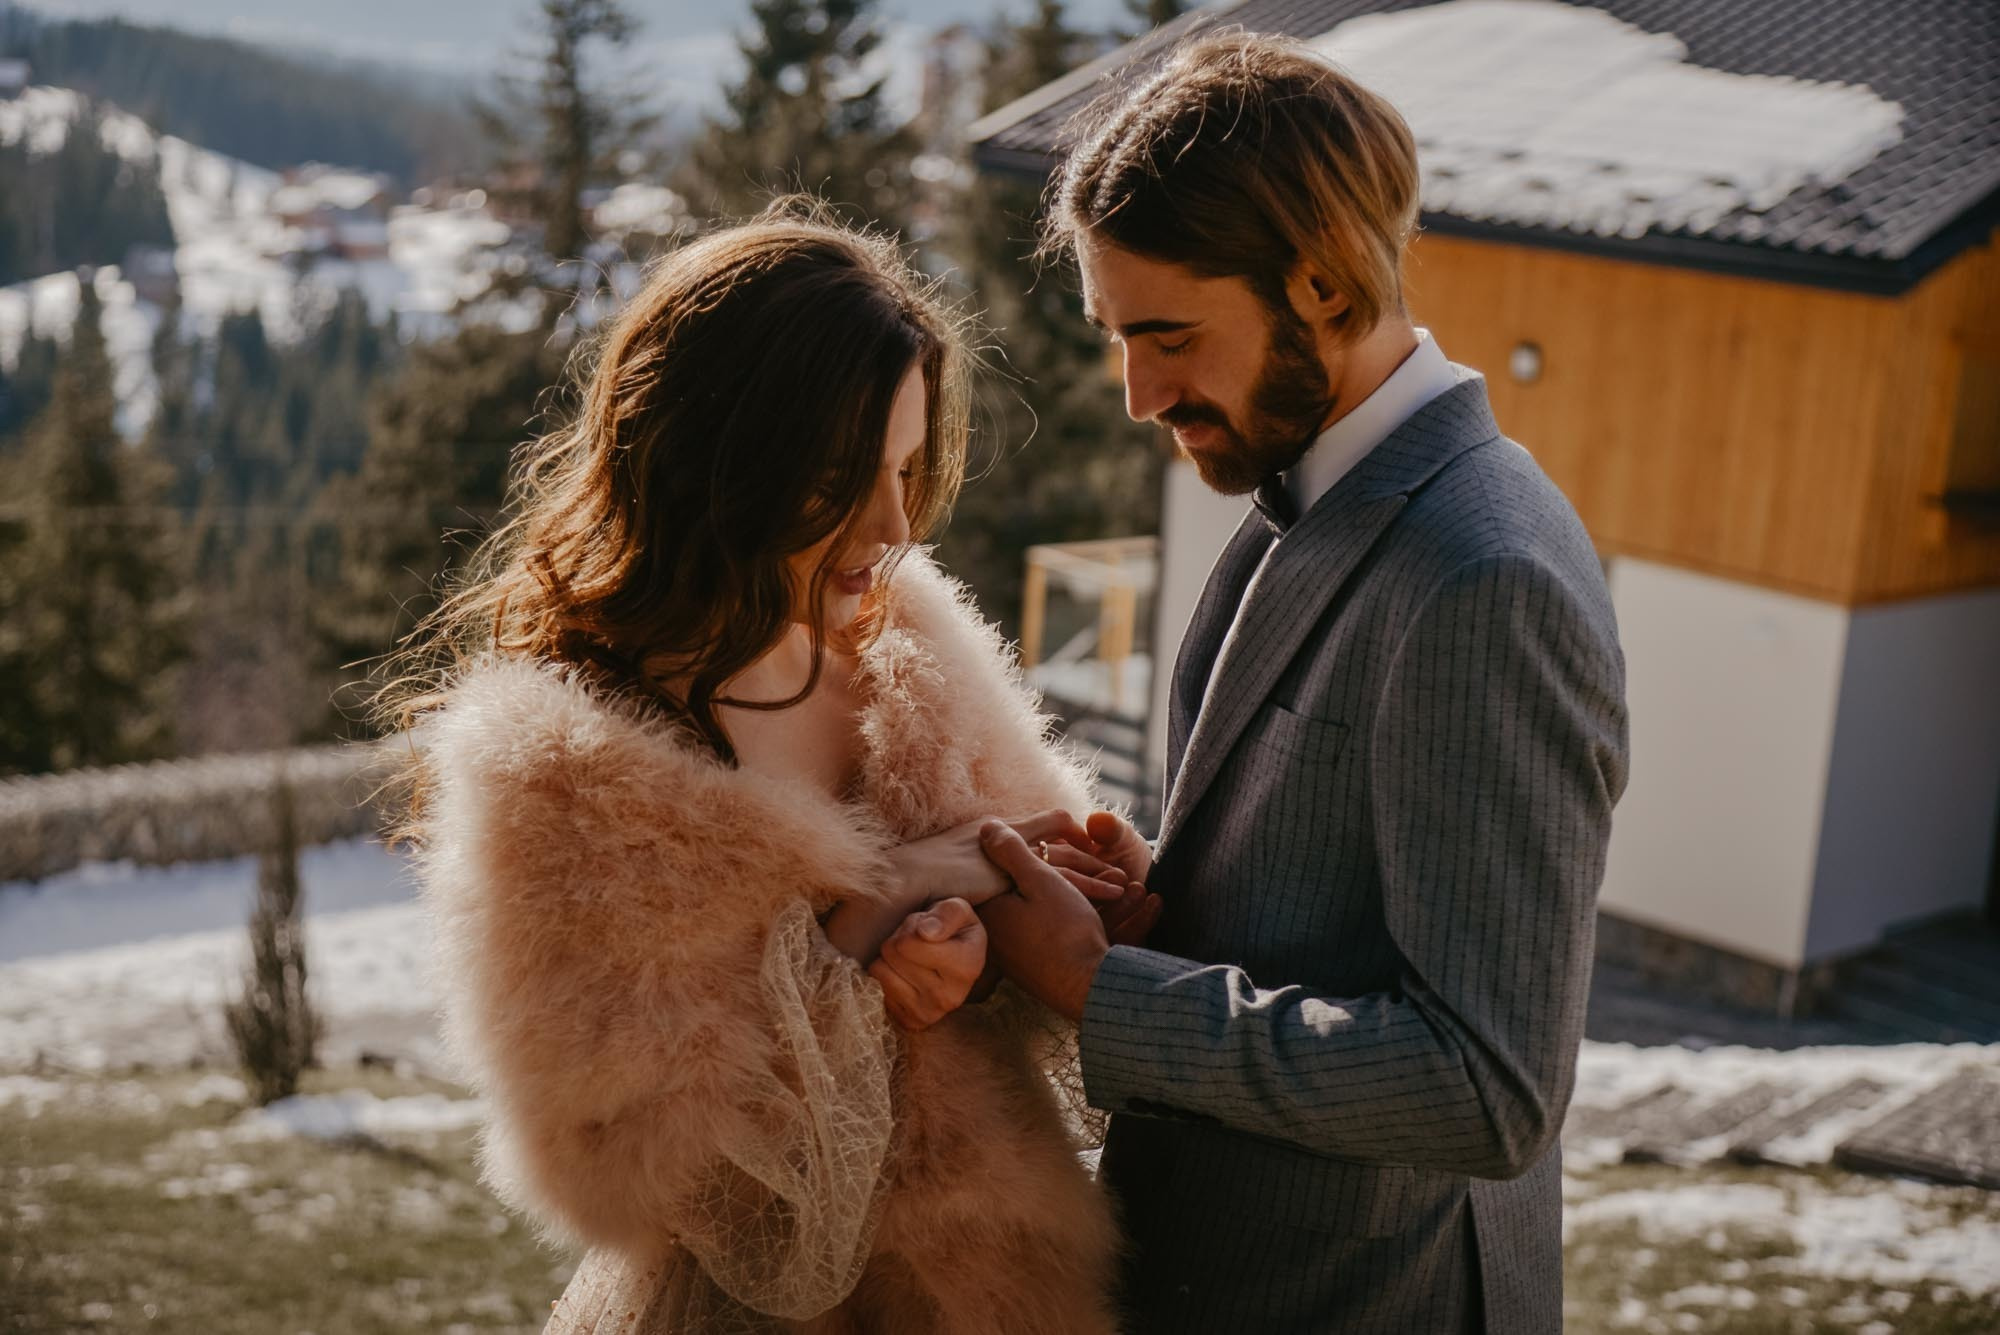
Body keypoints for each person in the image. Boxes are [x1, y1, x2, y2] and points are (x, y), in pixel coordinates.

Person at [978, 32, 1631, 1334]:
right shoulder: (1314, 482)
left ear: (1322, 286)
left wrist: (1105, 993)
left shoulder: (1482, 578)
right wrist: (1163, 900)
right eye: (1117, 337)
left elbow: (1486, 1088)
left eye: (1168, 336)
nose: (1138, 393)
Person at [391, 208, 1136, 1333]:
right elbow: (627, 1161)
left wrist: (1004, 938)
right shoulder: (567, 771)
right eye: (839, 478)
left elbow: (1049, 948)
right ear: (715, 461)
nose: (892, 526)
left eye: (904, 468)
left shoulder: (916, 656)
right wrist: (878, 904)